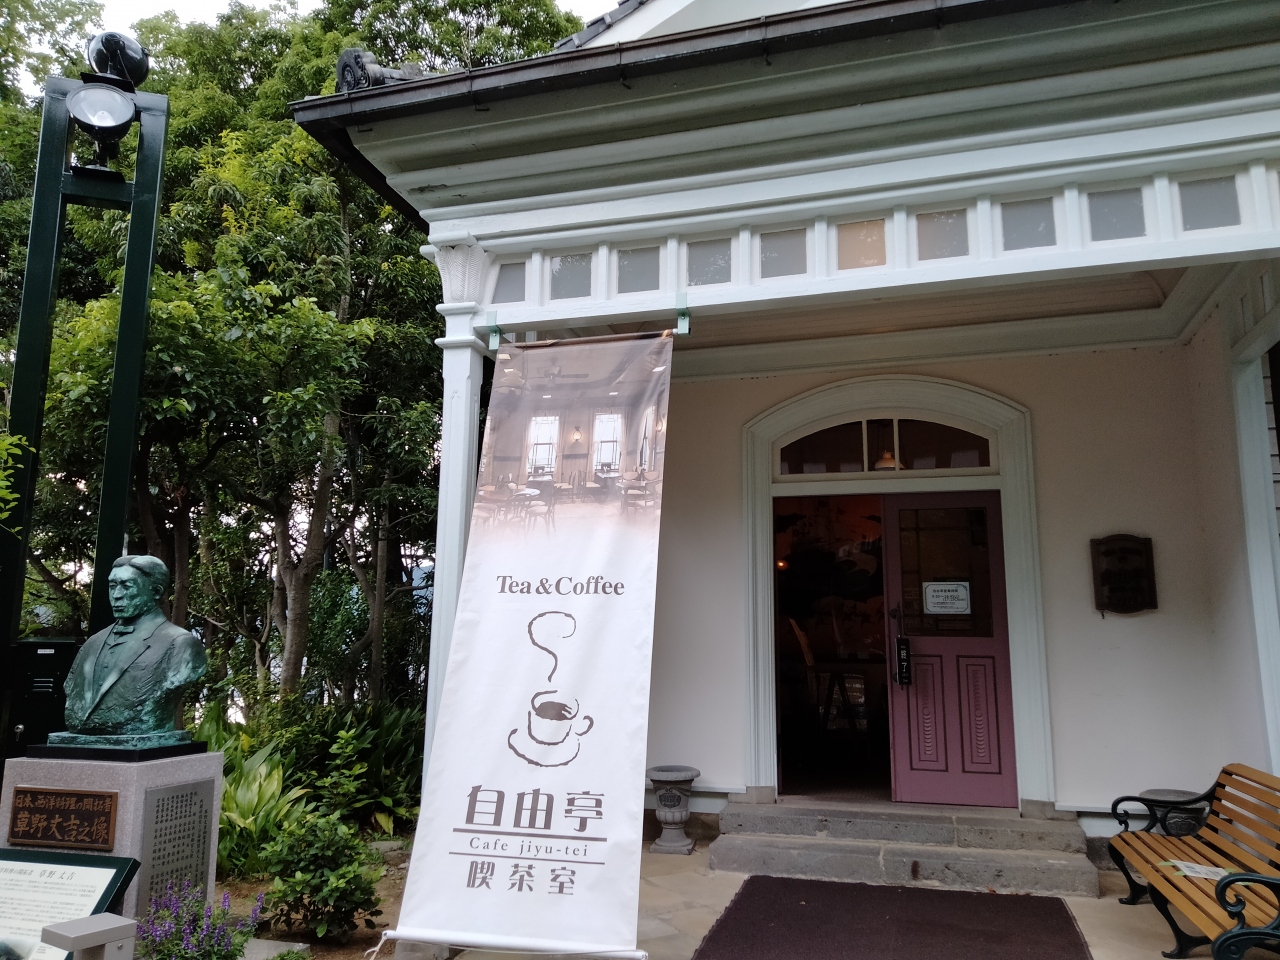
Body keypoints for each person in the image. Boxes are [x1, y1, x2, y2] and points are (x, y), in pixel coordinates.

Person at [51, 555, 206, 746]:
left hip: (142, 737)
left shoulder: (181, 644)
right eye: (112, 586)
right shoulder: (92, 643)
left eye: (127, 586)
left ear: (156, 591)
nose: (116, 595)